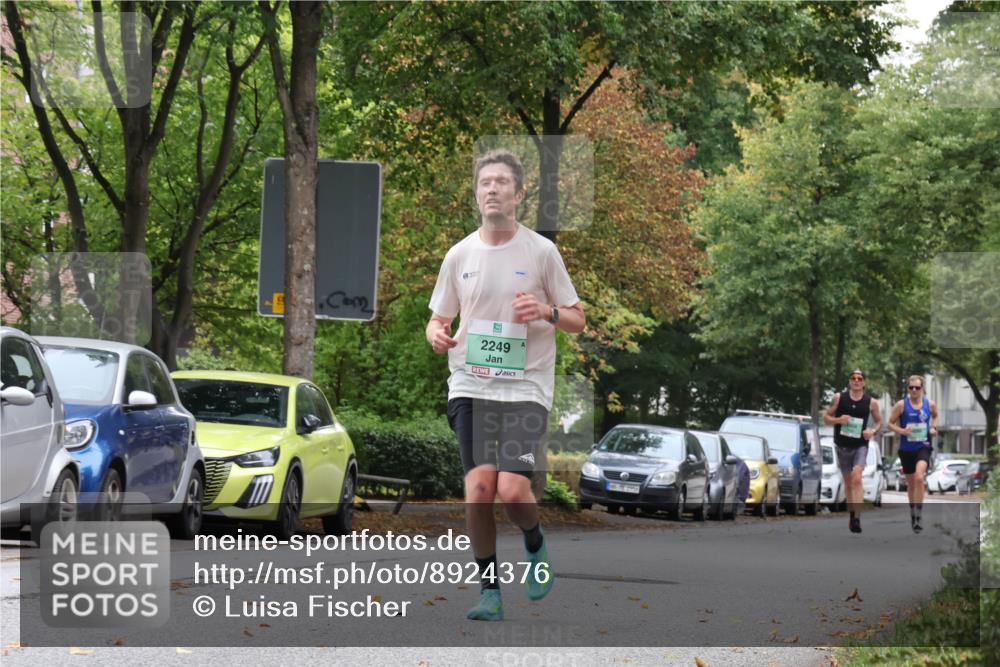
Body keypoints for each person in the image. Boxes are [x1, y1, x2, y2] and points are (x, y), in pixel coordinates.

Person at [426, 149, 585, 621]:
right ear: (476, 194)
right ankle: (490, 592)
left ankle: (534, 542)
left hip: (525, 388)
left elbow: (577, 319)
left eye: (501, 182)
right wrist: (436, 334)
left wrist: (547, 312)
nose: (491, 189)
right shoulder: (459, 255)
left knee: (513, 491)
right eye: (484, 182)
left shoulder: (541, 252)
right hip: (470, 384)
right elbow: (438, 318)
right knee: (479, 487)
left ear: (519, 194)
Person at [824, 369, 882, 534]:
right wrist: (838, 420)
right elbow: (826, 418)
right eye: (853, 378)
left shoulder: (871, 402)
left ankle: (857, 517)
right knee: (849, 484)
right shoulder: (839, 398)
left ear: (864, 382)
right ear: (849, 381)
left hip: (860, 445)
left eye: (860, 378)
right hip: (842, 446)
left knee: (857, 478)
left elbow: (879, 422)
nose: (856, 381)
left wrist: (872, 431)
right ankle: (851, 515)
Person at [887, 375, 938, 533]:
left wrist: (934, 428)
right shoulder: (901, 405)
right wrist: (902, 431)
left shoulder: (930, 404)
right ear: (908, 389)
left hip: (923, 446)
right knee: (911, 483)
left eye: (917, 387)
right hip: (906, 449)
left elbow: (935, 416)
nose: (914, 390)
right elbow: (889, 424)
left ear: (922, 388)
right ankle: (913, 511)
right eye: (911, 387)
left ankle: (919, 513)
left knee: (919, 477)